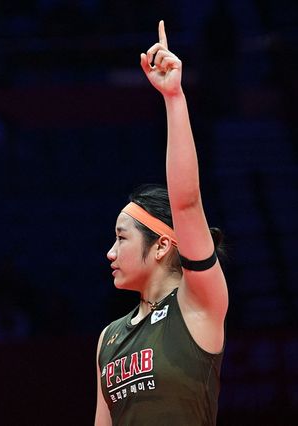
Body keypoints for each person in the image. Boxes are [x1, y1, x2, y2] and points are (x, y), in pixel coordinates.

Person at [94, 21, 228, 425]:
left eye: (122, 238)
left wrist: (173, 97)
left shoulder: (198, 303)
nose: (110, 252)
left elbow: (186, 204)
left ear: (162, 245)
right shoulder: (108, 338)